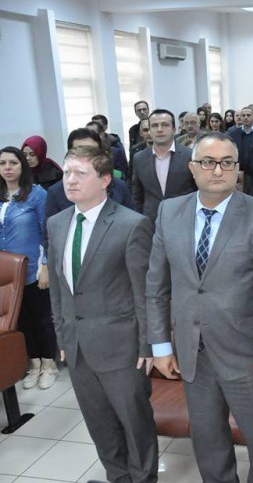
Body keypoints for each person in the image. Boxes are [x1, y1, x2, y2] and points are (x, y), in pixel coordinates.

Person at [147, 132, 253, 483]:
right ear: (192, 168)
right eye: (208, 162)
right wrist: (161, 346)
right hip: (193, 353)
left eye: (227, 162)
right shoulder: (169, 212)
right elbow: (156, 286)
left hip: (246, 355)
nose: (218, 170)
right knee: (208, 440)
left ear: (237, 168)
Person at [47, 144, 158, 482]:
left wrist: (147, 344)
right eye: (67, 172)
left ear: (105, 179)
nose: (70, 180)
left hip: (122, 347)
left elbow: (144, 292)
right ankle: (117, 476)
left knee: (134, 423)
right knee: (99, 423)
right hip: (77, 345)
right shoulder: (56, 223)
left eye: (80, 173)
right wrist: (62, 336)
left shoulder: (131, 225)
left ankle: (143, 478)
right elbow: (58, 287)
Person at [0, 146, 58, 389]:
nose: (7, 168)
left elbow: (47, 231)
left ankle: (49, 364)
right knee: (20, 320)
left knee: (41, 319)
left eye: (13, 163)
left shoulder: (36, 194)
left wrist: (45, 266)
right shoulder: (1, 197)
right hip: (7, 274)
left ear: (22, 166)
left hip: (33, 268)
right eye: (2, 163)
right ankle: (33, 364)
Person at [131, 109, 197, 222]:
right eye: (155, 126)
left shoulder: (190, 156)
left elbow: (197, 191)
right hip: (151, 221)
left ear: (174, 129)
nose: (160, 129)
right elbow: (137, 195)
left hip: (183, 219)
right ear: (149, 131)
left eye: (165, 125)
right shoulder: (139, 158)